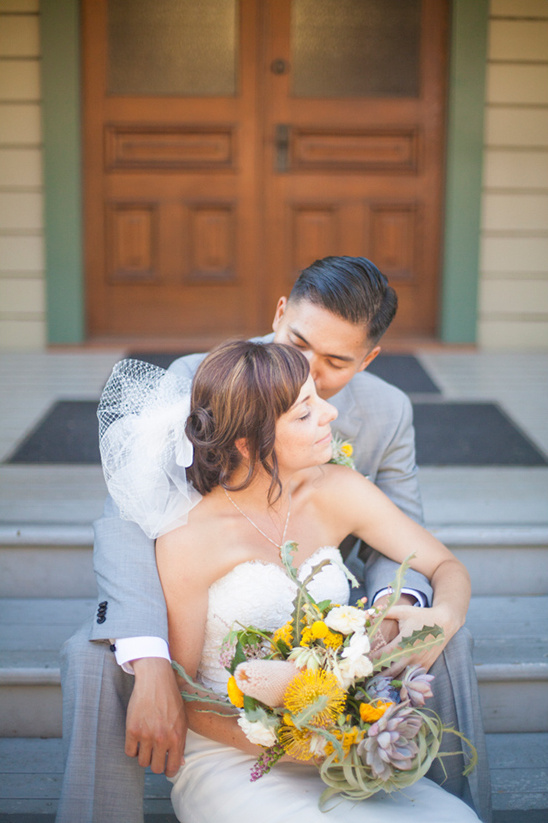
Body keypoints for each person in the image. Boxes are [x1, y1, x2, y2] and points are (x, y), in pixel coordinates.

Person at [56, 257, 490, 822]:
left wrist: (404, 610)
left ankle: (428, 780)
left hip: (331, 604)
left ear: (368, 359)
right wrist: (153, 660)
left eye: (334, 363)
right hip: (201, 607)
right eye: (298, 342)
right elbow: (126, 524)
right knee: (93, 655)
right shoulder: (201, 377)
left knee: (439, 640)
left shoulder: (386, 415)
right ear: (280, 311)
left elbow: (406, 538)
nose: (305, 371)